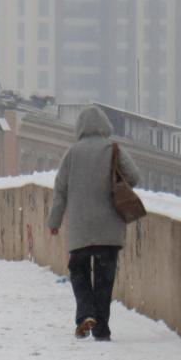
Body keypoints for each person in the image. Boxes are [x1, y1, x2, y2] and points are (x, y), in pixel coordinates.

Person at [46, 104, 140, 341]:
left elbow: (60, 190)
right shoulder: (113, 149)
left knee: (78, 270)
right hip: (109, 228)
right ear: (103, 126)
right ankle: (102, 329)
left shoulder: (73, 153)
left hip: (81, 229)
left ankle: (85, 314)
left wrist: (54, 220)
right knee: (104, 278)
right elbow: (134, 176)